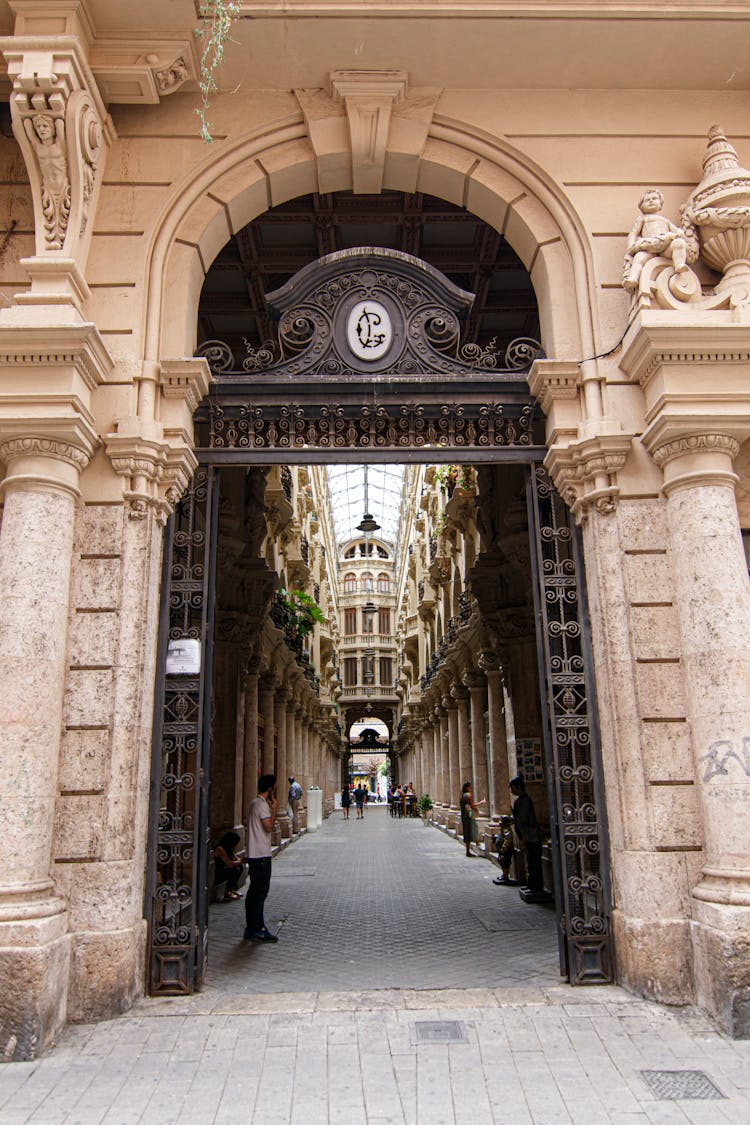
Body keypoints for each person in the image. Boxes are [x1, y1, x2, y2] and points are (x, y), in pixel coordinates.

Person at [244, 773, 279, 942]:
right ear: (270, 788)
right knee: (260, 893)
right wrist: (274, 810)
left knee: (253, 893)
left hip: (253, 853)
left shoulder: (253, 803)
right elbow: (268, 827)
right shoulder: (263, 806)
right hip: (261, 854)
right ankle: (258, 928)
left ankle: (251, 927)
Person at [510, 776, 544, 898]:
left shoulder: (524, 801)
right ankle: (531, 885)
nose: (511, 791)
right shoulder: (520, 801)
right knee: (530, 862)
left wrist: (523, 838)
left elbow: (523, 821)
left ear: (518, 787)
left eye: (512, 788)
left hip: (531, 837)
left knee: (534, 862)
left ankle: (537, 888)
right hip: (528, 837)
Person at [214, 830, 244, 901]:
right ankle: (227, 892)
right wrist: (241, 862)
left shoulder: (229, 849)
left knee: (240, 867)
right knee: (235, 869)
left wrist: (241, 861)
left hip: (226, 868)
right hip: (220, 870)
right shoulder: (220, 849)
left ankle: (232, 889)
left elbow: (235, 859)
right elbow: (229, 863)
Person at [492, 815, 517, 886]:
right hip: (502, 850)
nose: (500, 823)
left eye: (501, 821)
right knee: (502, 862)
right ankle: (504, 875)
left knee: (505, 862)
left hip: (506, 850)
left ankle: (505, 876)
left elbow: (507, 840)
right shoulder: (503, 829)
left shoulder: (506, 830)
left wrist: (503, 848)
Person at [460, 780, 479, 857]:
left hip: (464, 815)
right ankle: (477, 842)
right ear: (467, 787)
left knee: (466, 831)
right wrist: (481, 803)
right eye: (470, 787)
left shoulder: (461, 796)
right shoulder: (468, 795)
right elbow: (472, 805)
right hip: (469, 814)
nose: (471, 788)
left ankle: (468, 850)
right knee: (474, 827)